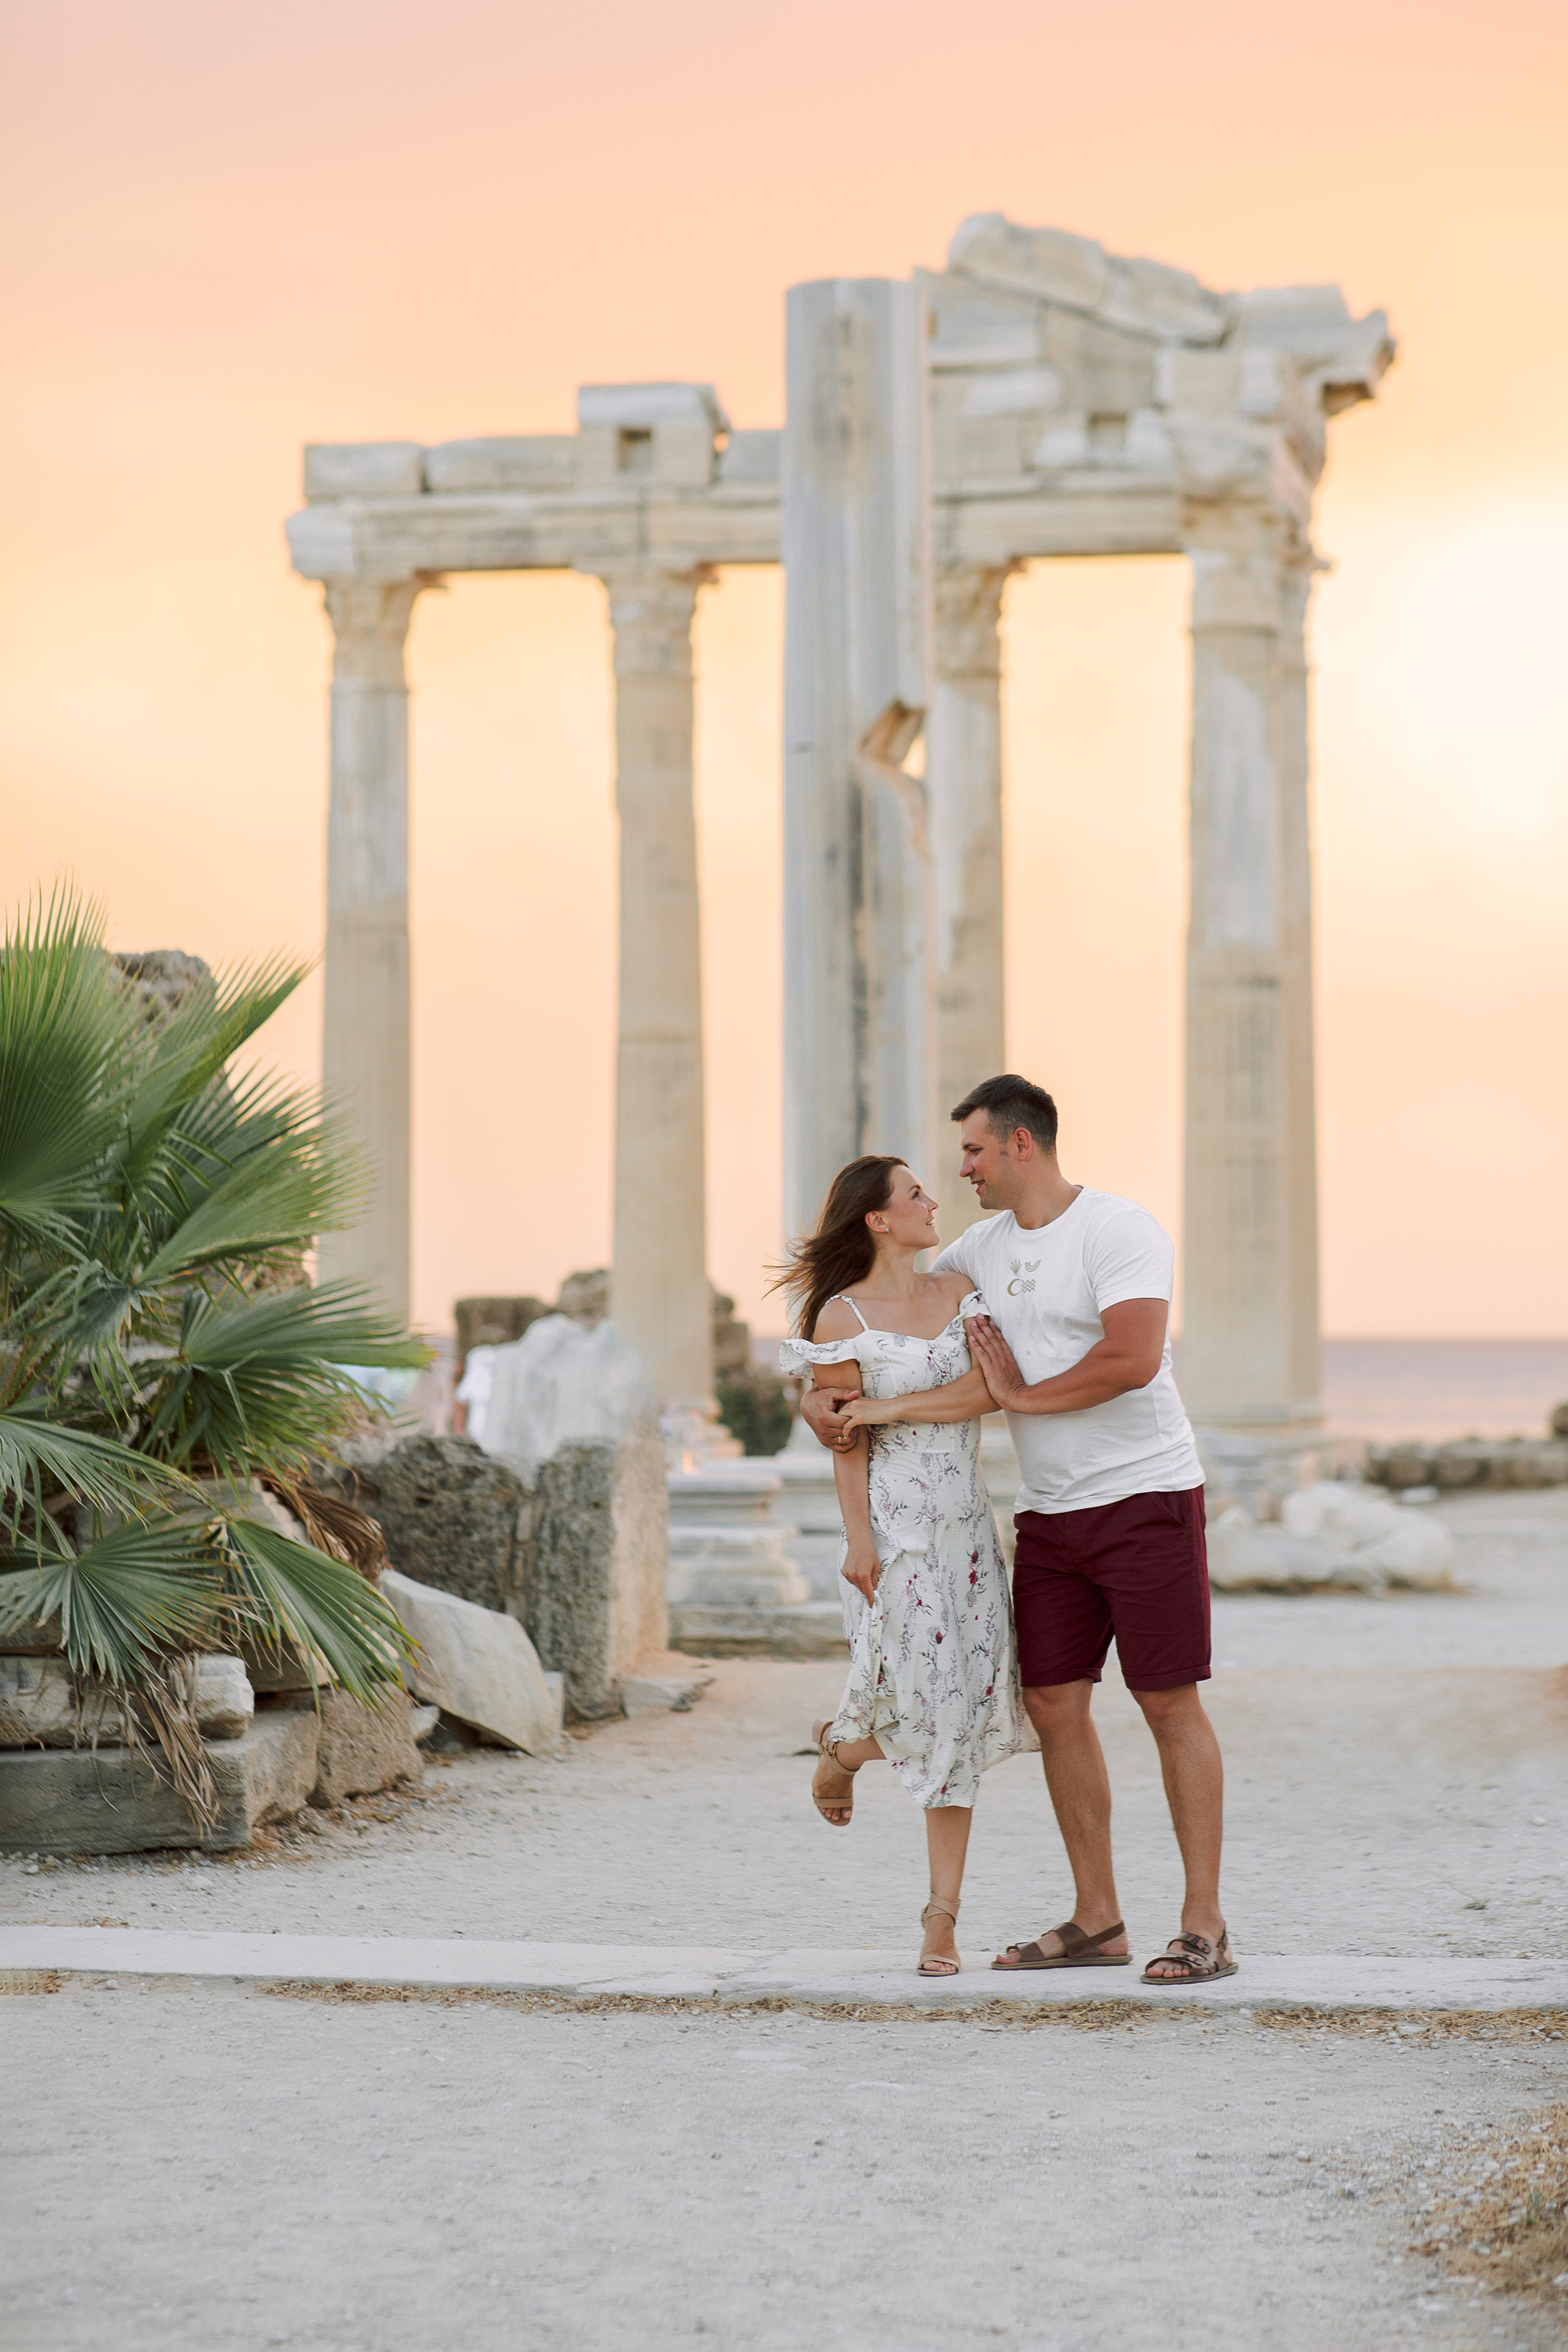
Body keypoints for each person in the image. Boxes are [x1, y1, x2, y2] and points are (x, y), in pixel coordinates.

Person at [803, 1074, 1235, 1987]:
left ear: (1019, 1147)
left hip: (1146, 1496)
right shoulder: (978, 1248)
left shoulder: (1118, 1229)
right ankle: (1099, 1919)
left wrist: (1021, 1397)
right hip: (1044, 1517)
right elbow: (892, 1307)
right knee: (1051, 1705)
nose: (960, 1170)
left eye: (971, 1152)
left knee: (1167, 1703)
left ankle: (1204, 1925)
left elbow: (1132, 1357)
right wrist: (828, 1400)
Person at [775, 1155, 1023, 1978]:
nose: (931, 1200)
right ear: (879, 1219)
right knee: (934, 1706)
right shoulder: (840, 1318)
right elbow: (848, 1443)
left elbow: (992, 1389)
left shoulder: (958, 1293)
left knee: (964, 1707)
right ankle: (847, 1755)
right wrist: (858, 1541)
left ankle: (935, 1906)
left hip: (967, 1533)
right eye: (915, 1193)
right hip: (895, 1532)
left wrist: (897, 1402)